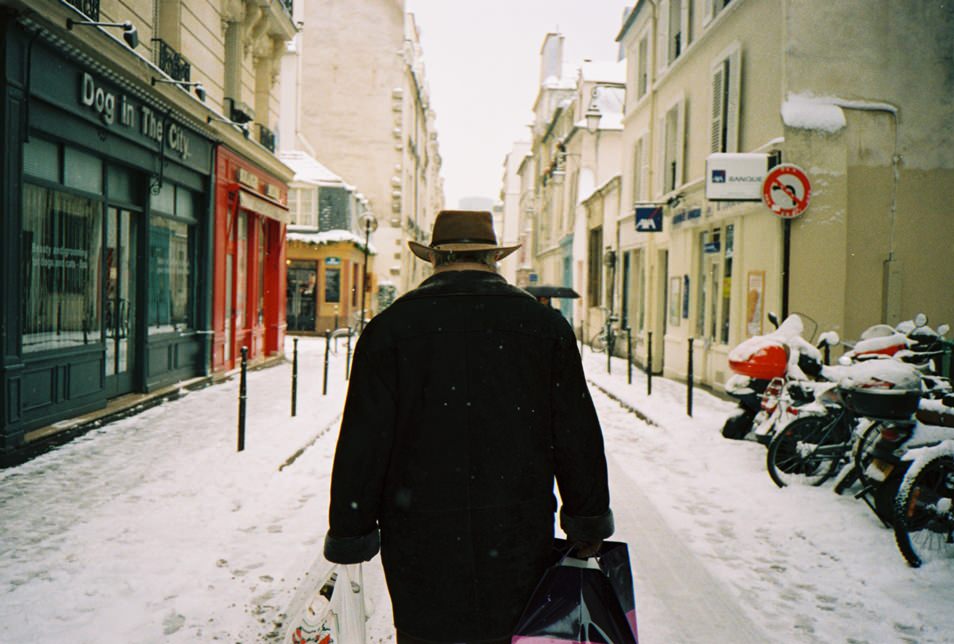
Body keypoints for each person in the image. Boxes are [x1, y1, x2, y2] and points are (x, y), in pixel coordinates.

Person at [324, 210, 614, 643]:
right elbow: (575, 433)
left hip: (420, 534)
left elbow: (364, 440)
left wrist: (352, 529)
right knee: (515, 632)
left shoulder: (390, 330)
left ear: (434, 259)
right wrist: (586, 520)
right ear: (493, 258)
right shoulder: (544, 328)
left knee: (427, 635)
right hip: (516, 530)